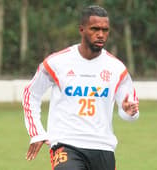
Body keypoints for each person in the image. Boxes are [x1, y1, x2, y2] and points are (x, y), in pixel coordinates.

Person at [22, 5, 139, 170]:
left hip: (103, 147)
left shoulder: (117, 69)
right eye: (95, 29)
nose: (101, 34)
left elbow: (131, 114)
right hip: (66, 144)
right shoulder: (57, 63)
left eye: (105, 30)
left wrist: (128, 111)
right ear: (82, 29)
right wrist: (36, 132)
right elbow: (30, 94)